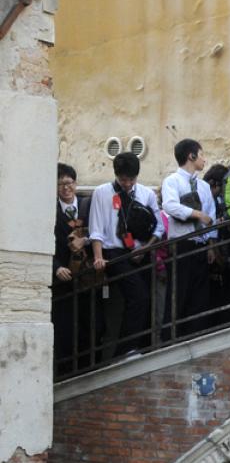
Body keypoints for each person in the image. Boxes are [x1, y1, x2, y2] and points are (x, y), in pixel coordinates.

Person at [89, 152, 164, 357]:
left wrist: (145, 248)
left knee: (146, 300)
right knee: (138, 296)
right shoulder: (102, 193)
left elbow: (159, 227)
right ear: (116, 174)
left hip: (141, 252)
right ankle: (124, 351)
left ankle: (144, 347)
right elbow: (96, 229)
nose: (128, 184)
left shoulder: (147, 194)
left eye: (132, 179)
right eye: (123, 180)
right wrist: (98, 257)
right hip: (115, 253)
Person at [160, 139, 217, 336]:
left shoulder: (204, 186)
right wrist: (196, 214)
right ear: (191, 156)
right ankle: (170, 339)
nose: (204, 159)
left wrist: (211, 244)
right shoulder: (172, 181)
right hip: (181, 244)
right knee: (178, 294)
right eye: (201, 155)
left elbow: (211, 215)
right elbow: (169, 205)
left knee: (199, 296)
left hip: (200, 244)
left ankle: (195, 336)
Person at [52, 163, 97, 372]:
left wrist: (86, 241)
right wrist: (56, 267)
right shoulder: (49, 210)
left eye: (68, 182)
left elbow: (101, 232)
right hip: (63, 278)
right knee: (64, 329)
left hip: (88, 276)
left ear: (76, 183)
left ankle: (89, 370)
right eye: (60, 184)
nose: (65, 188)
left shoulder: (89, 206)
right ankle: (65, 374)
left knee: (92, 325)